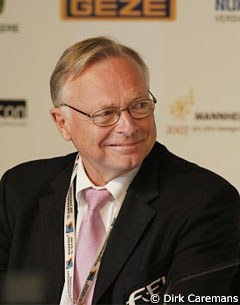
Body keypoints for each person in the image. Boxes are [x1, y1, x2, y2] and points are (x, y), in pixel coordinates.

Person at [0, 36, 240, 305]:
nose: (128, 126)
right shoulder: (19, 189)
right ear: (62, 123)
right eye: (105, 113)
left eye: (139, 105)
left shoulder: (205, 202)